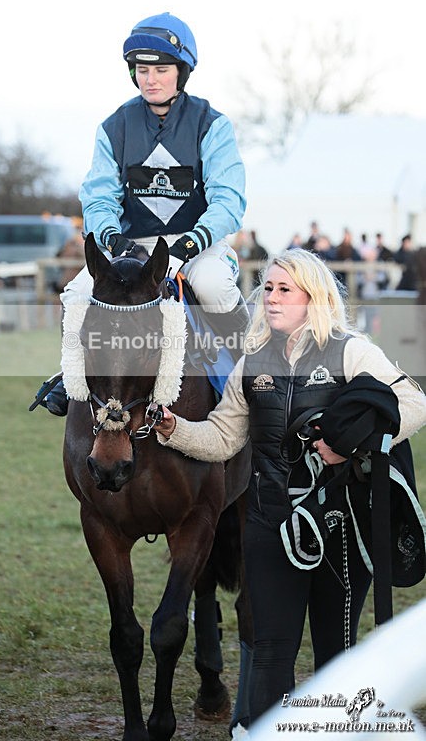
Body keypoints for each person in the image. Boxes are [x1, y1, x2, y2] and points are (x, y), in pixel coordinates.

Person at [153, 247, 426, 728]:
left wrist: (352, 443)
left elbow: (412, 402)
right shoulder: (251, 363)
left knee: (336, 653)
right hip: (269, 524)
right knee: (271, 650)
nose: (272, 298)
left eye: (285, 290)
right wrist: (174, 428)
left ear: (313, 297)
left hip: (340, 526)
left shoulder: (352, 351)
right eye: (268, 289)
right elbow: (223, 438)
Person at [36, 11, 249, 415]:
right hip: (131, 245)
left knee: (214, 287)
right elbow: (98, 197)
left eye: (161, 69)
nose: (150, 79)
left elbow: (228, 201)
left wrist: (188, 246)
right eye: (142, 69)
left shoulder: (212, 125)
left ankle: (252, 371)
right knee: (77, 294)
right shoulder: (113, 126)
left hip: (197, 243)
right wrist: (114, 241)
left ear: (182, 72)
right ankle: (71, 379)